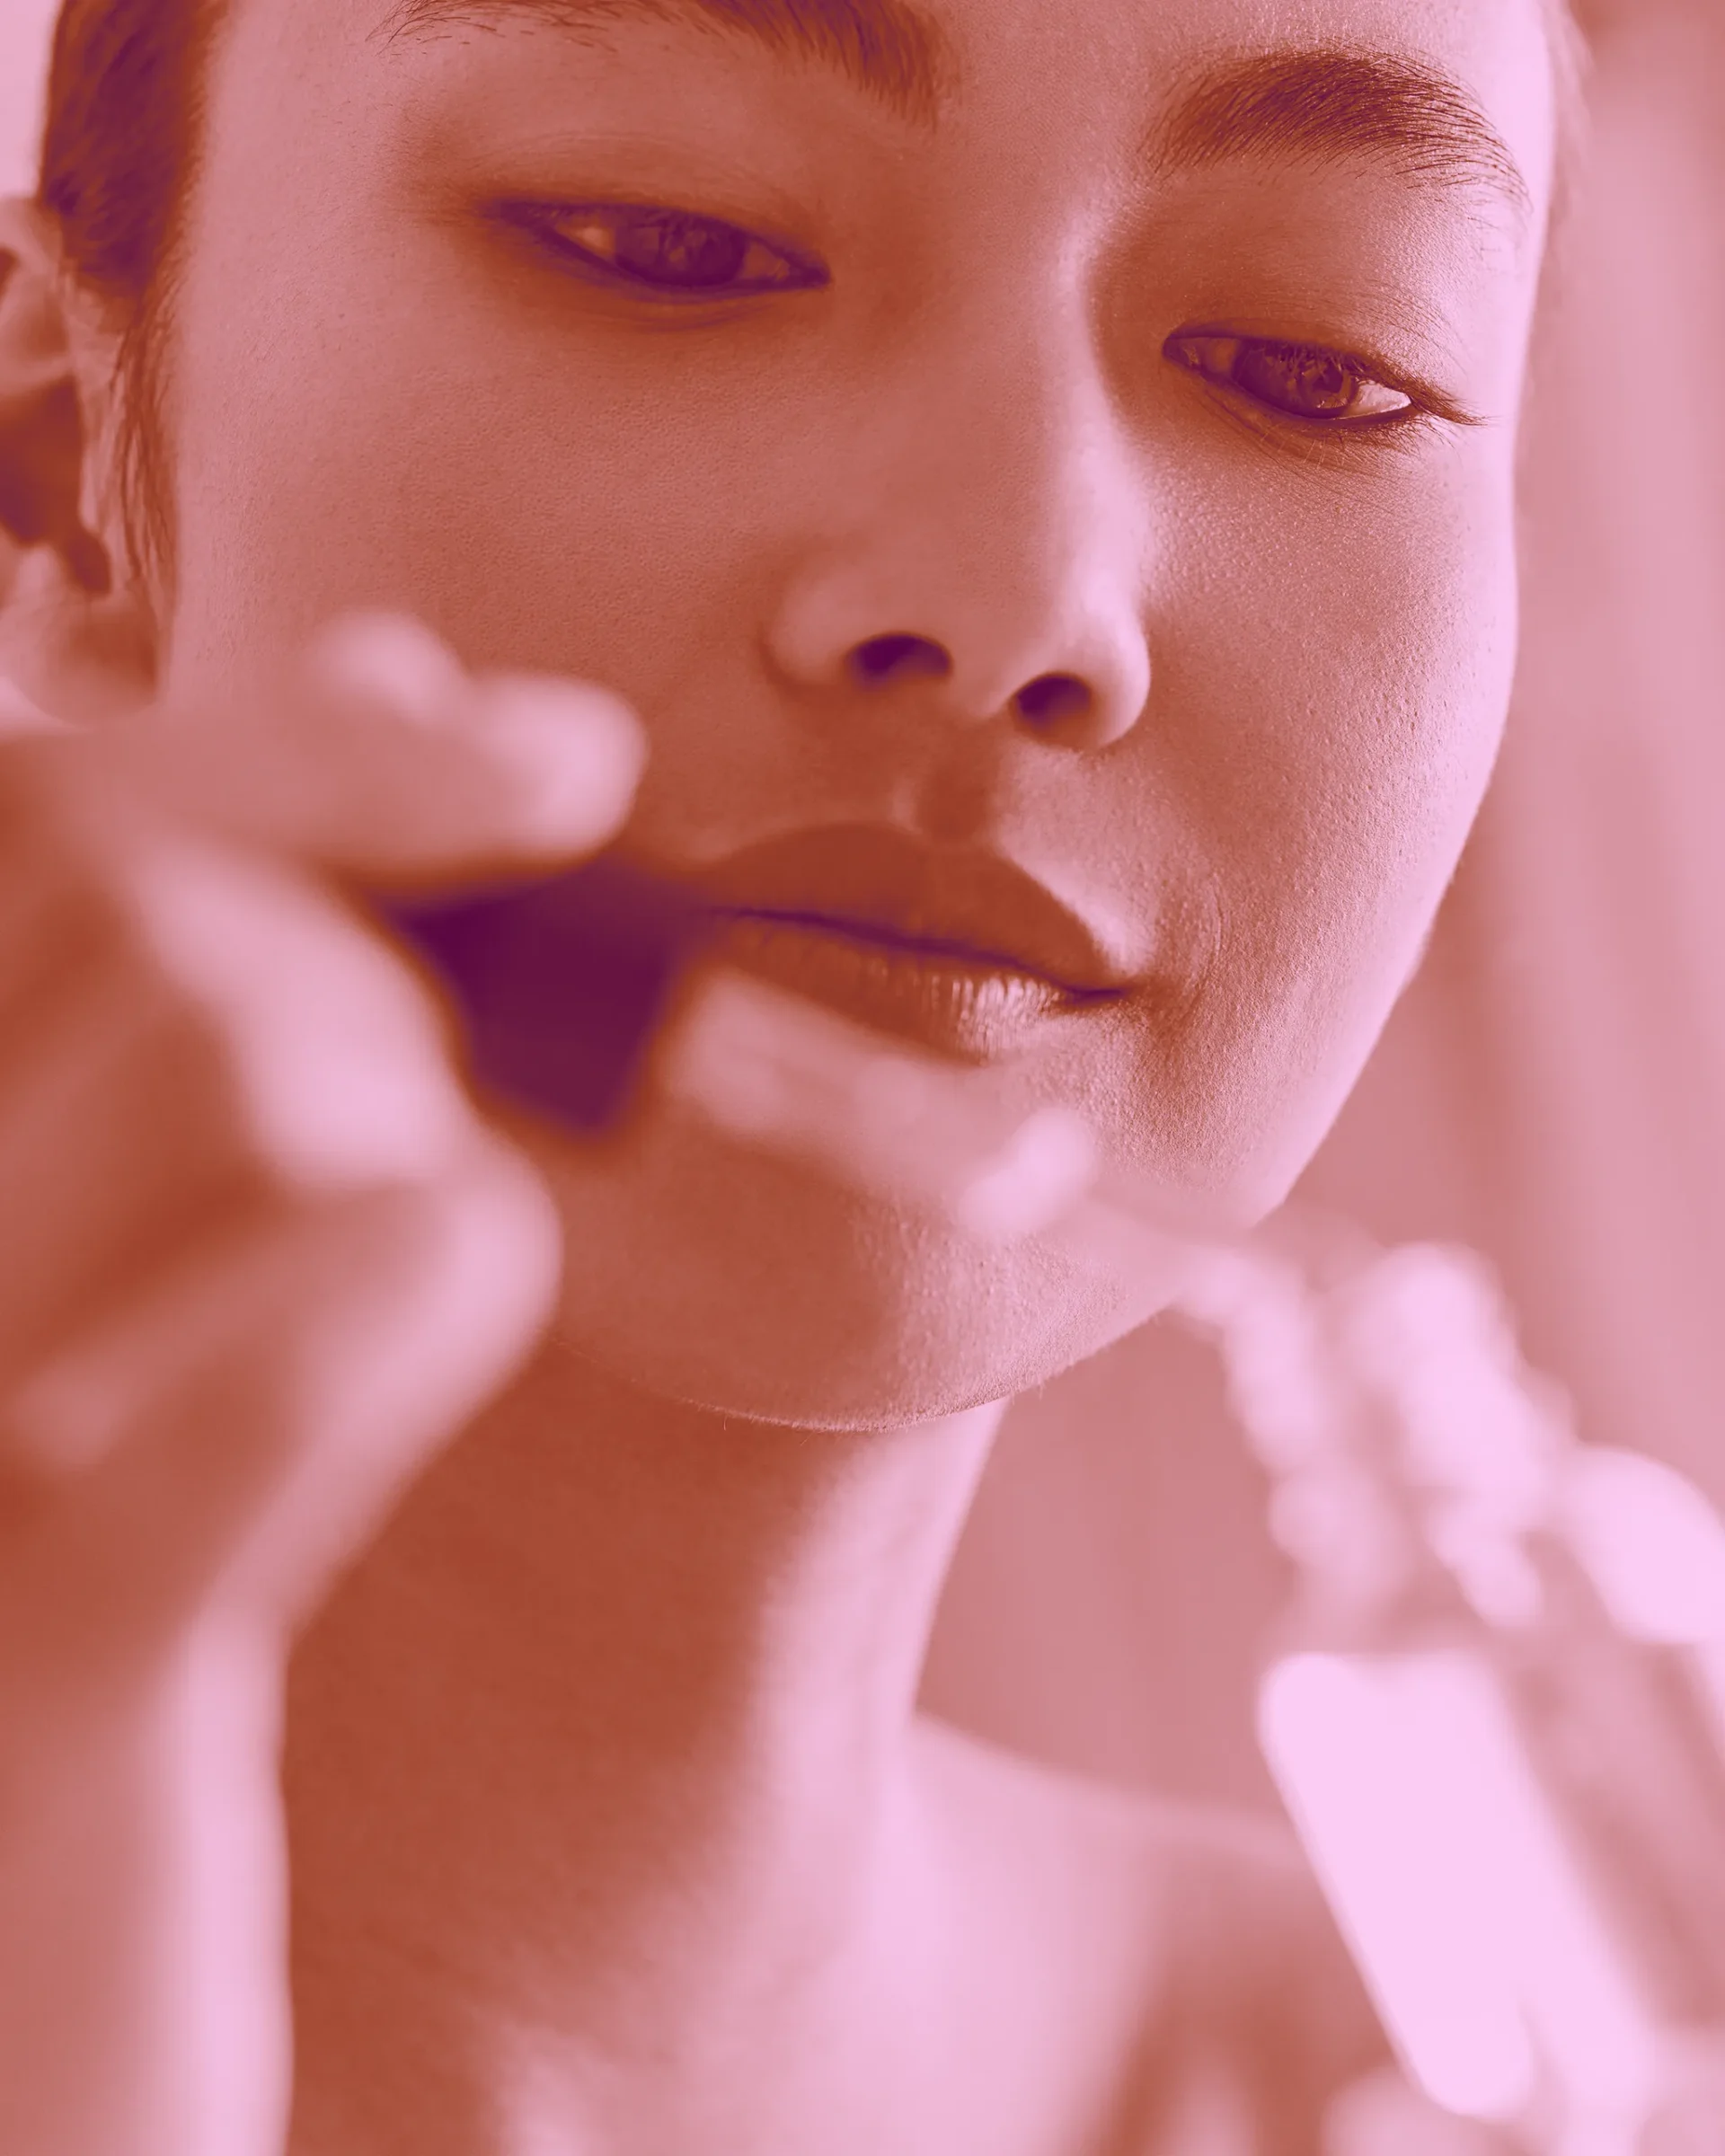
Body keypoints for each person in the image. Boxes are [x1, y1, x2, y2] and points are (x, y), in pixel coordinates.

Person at [0, 0, 1566, 2148]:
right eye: (677, 241)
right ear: (61, 466)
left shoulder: (1541, 2080)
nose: (1022, 595)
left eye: (1325, 368)